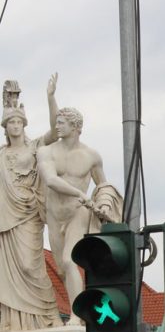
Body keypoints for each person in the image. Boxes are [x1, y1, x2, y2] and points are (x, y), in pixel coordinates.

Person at [38, 107, 121, 317]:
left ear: (75, 127)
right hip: (55, 214)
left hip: (78, 212)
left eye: (61, 122)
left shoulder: (91, 156)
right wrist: (79, 192)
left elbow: (103, 186)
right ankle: (80, 309)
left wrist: (103, 204)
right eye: (56, 122)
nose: (56, 126)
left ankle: (77, 316)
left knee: (69, 260)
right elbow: (50, 180)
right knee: (61, 268)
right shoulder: (47, 152)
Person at [0, 75, 61, 331]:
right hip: (5, 216)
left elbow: (56, 132)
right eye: (10, 122)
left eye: (18, 121)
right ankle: (11, 320)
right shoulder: (1, 154)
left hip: (28, 213)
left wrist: (50, 98)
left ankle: (50, 314)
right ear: (5, 126)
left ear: (24, 125)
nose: (15, 125)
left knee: (30, 266)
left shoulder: (35, 146)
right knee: (5, 272)